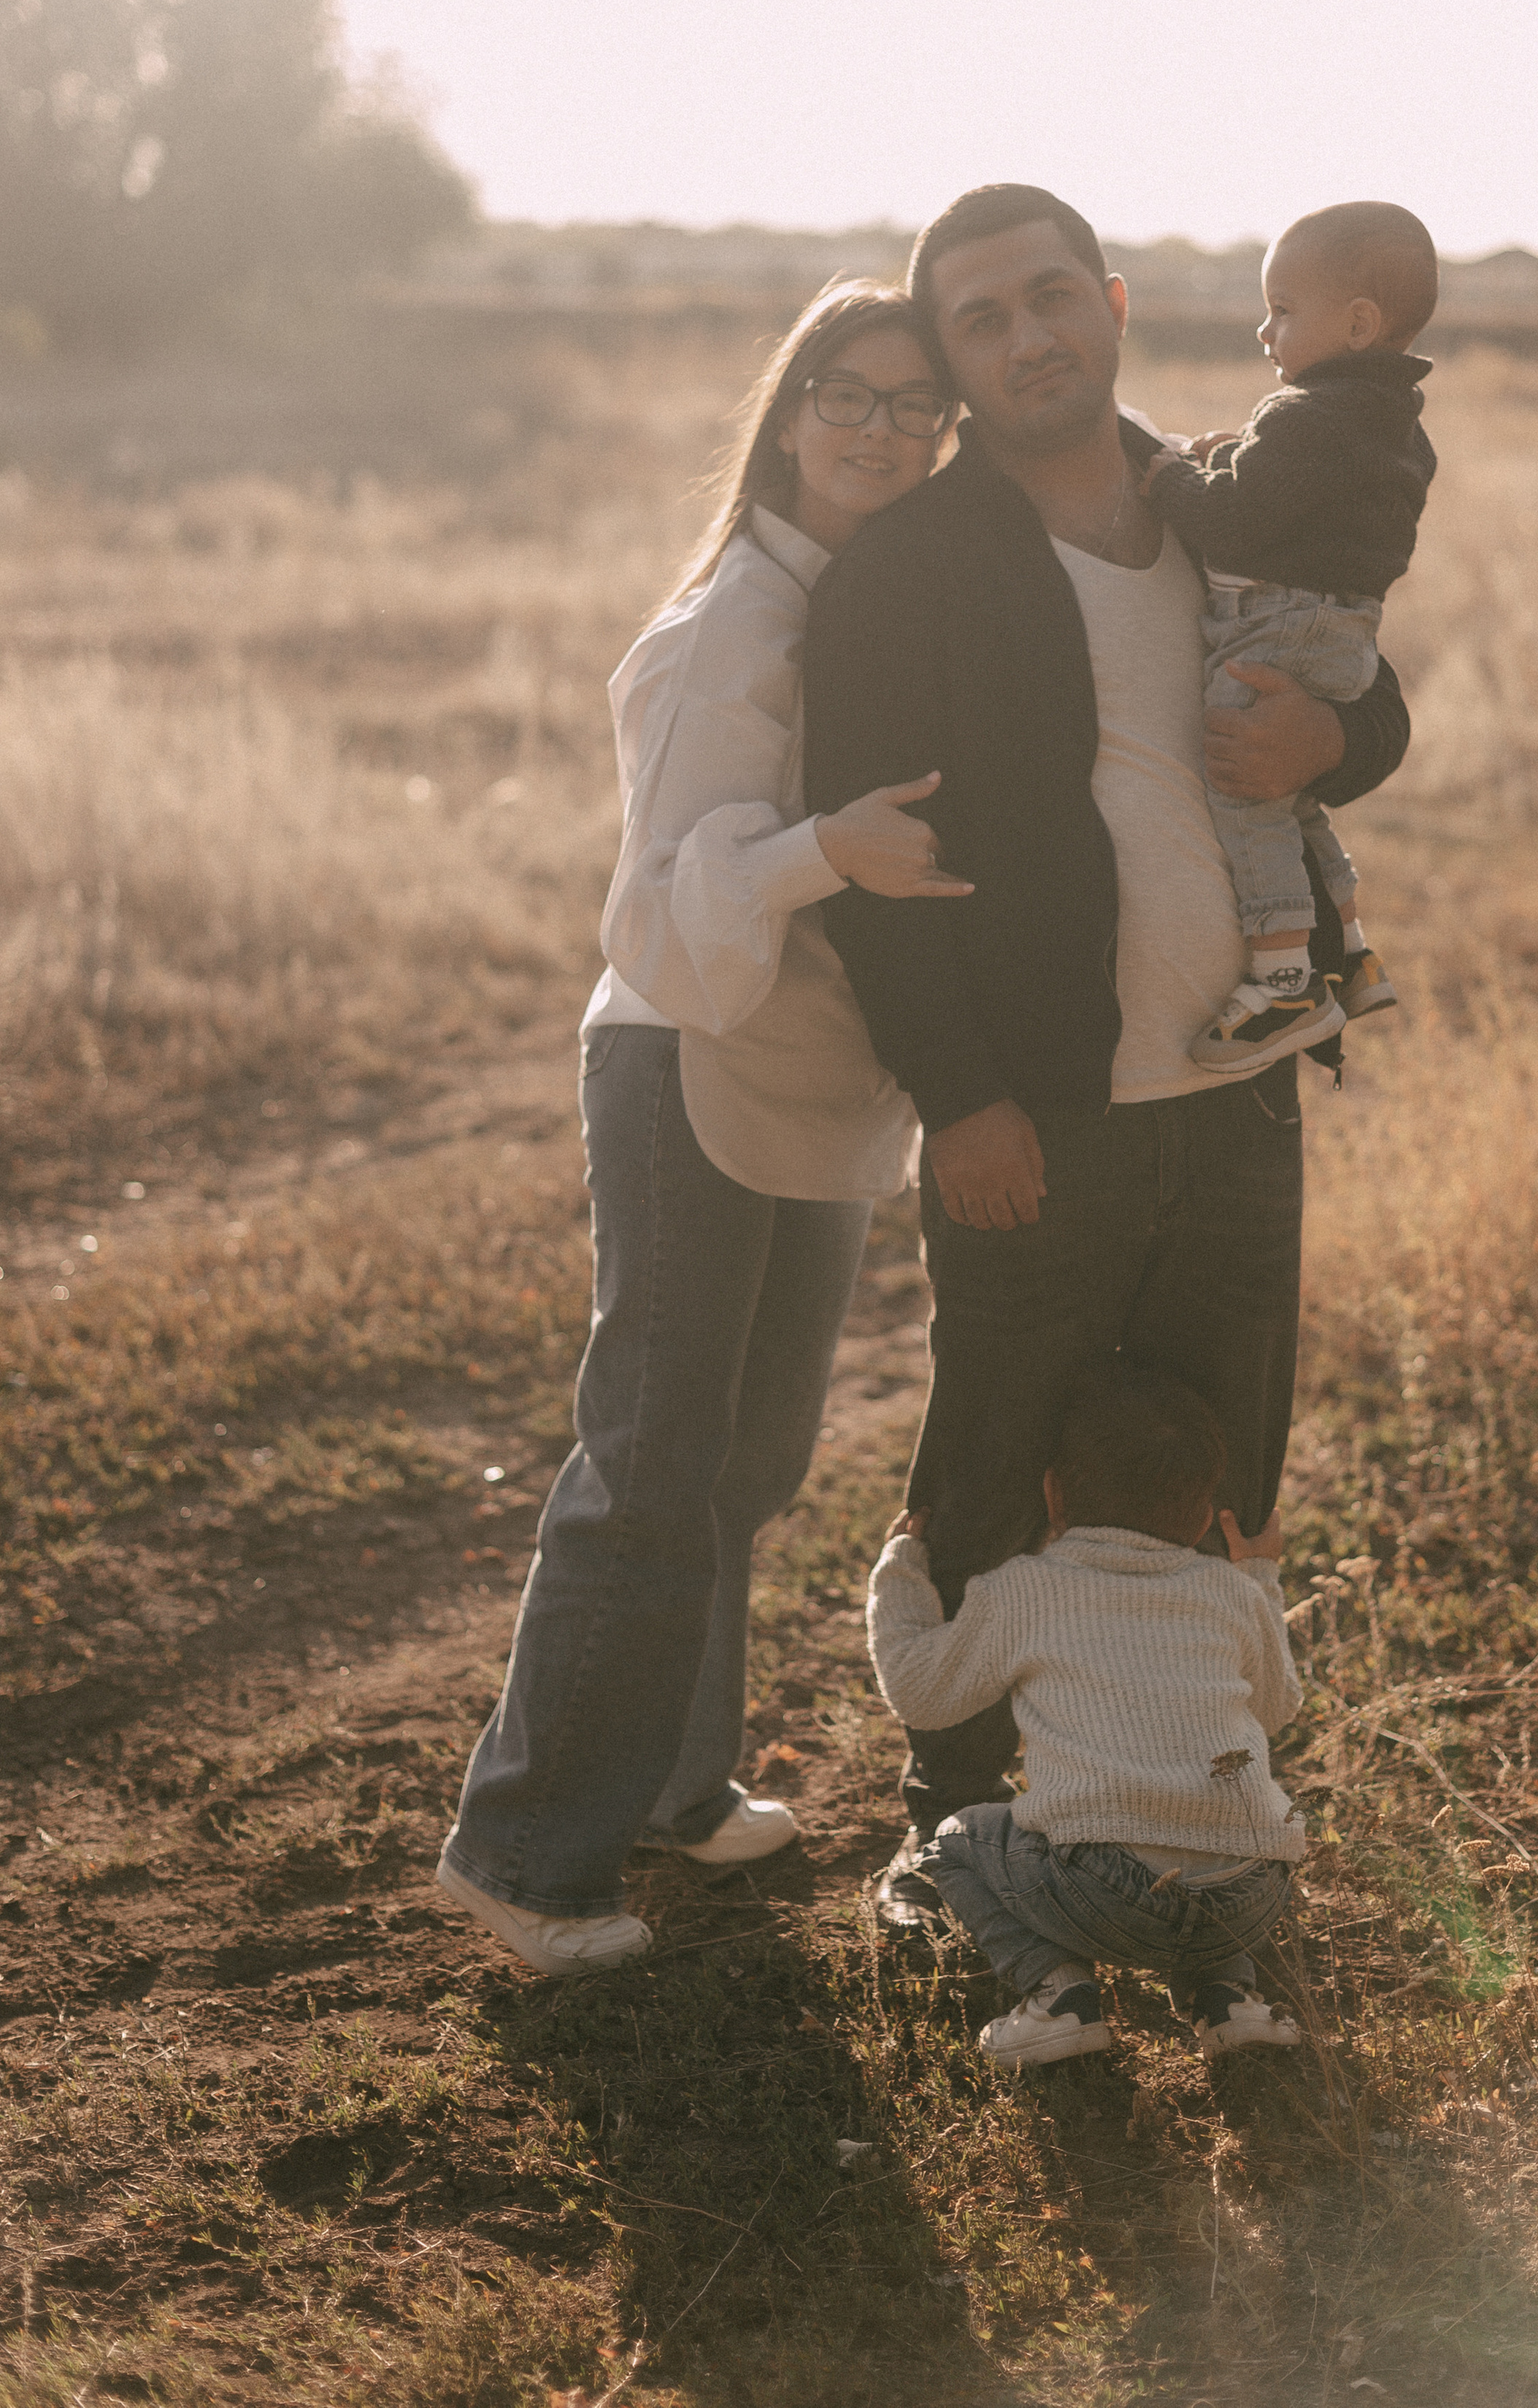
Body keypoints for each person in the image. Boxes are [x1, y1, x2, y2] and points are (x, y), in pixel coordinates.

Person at [803, 184, 1410, 1928]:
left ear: (1116, 300)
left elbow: (1353, 678)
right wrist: (960, 1094)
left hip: (1237, 1091)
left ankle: (1194, 1789)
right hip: (1037, 1112)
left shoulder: (1233, 496)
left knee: (1223, 1459)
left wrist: (1344, 735)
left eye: (1048, 295)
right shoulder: (910, 564)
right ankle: (956, 1819)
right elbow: (873, 868)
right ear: (955, 355)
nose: (1024, 337)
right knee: (990, 1452)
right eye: (979, 318)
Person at [437, 280, 969, 1976]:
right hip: (681, 1062)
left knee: (743, 1465)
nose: (883, 429)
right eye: (849, 394)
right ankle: (524, 1855)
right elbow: (657, 916)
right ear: (791, 404)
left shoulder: (859, 602)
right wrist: (827, 851)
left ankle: (667, 1784)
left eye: (916, 405)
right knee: (652, 1462)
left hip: (796, 1069)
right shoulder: (730, 625)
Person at [866, 1357, 1304, 2067]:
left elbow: (922, 1693)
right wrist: (1259, 1577)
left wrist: (902, 1575)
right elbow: (1277, 1708)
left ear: (1050, 1493)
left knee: (950, 1837)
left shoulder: (1026, 1590)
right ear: (1203, 1512)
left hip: (1101, 1892)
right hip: (1253, 1893)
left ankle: (1057, 1992)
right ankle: (1228, 1999)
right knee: (1212, 1835)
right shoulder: (1232, 1593)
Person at [1142, 201, 1438, 1069]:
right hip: (1343, 629)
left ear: (1355, 325)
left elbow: (1233, 522)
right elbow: (1296, 500)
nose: (1262, 329)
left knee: (1245, 790)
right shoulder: (1394, 425)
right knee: (1295, 796)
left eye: (1281, 308)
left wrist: (1172, 478)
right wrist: (1236, 457)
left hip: (1279, 625)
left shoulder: (1303, 415)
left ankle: (1282, 980)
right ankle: (1346, 947)